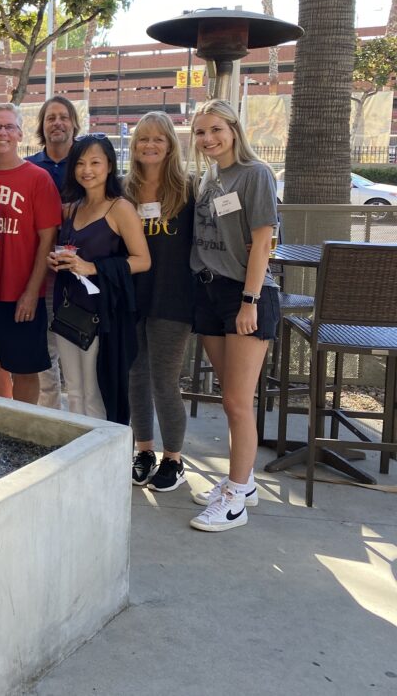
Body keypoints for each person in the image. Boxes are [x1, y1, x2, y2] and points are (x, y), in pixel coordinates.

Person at [188, 99, 279, 533]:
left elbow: (263, 242)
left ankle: (235, 499)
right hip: (207, 290)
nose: (208, 139)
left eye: (216, 130)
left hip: (243, 296)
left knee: (239, 403)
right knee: (230, 400)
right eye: (201, 132)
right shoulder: (209, 176)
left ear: (234, 129)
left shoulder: (255, 174)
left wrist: (250, 300)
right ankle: (242, 483)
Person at [47, 134, 150, 421]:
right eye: (80, 163)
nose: (87, 170)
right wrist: (55, 260)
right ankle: (82, 456)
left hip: (102, 315)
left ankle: (102, 461)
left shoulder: (120, 208)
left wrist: (93, 268)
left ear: (109, 165)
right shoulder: (72, 207)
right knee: (75, 393)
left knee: (95, 394)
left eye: (95, 162)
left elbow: (143, 260)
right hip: (68, 311)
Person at [0, 104, 61, 404]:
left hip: (20, 292)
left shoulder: (38, 179)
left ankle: (24, 426)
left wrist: (32, 292)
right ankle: (1, 421)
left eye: (9, 127)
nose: (3, 132)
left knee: (24, 368)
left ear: (20, 134)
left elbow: (47, 241)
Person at [124, 112, 195, 492]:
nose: (149, 145)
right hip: (134, 298)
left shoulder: (188, 190)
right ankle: (144, 451)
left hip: (174, 299)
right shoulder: (125, 190)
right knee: (136, 376)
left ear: (170, 145)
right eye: (142, 139)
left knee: (165, 381)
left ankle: (174, 459)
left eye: (158, 139)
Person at [28, 95, 80, 409]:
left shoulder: (88, 162)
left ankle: (80, 429)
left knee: (79, 358)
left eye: (63, 117)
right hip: (42, 276)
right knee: (44, 358)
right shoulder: (32, 168)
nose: (57, 123)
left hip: (82, 276)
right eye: (50, 118)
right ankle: (50, 423)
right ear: (42, 127)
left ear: (74, 124)